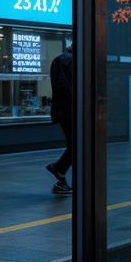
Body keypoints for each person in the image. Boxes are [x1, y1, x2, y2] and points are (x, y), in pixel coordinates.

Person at [46, 44, 73, 194]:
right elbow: (65, 87)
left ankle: (60, 180)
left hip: (63, 111)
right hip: (69, 111)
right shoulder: (68, 61)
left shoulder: (61, 60)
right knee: (77, 144)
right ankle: (59, 169)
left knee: (75, 144)